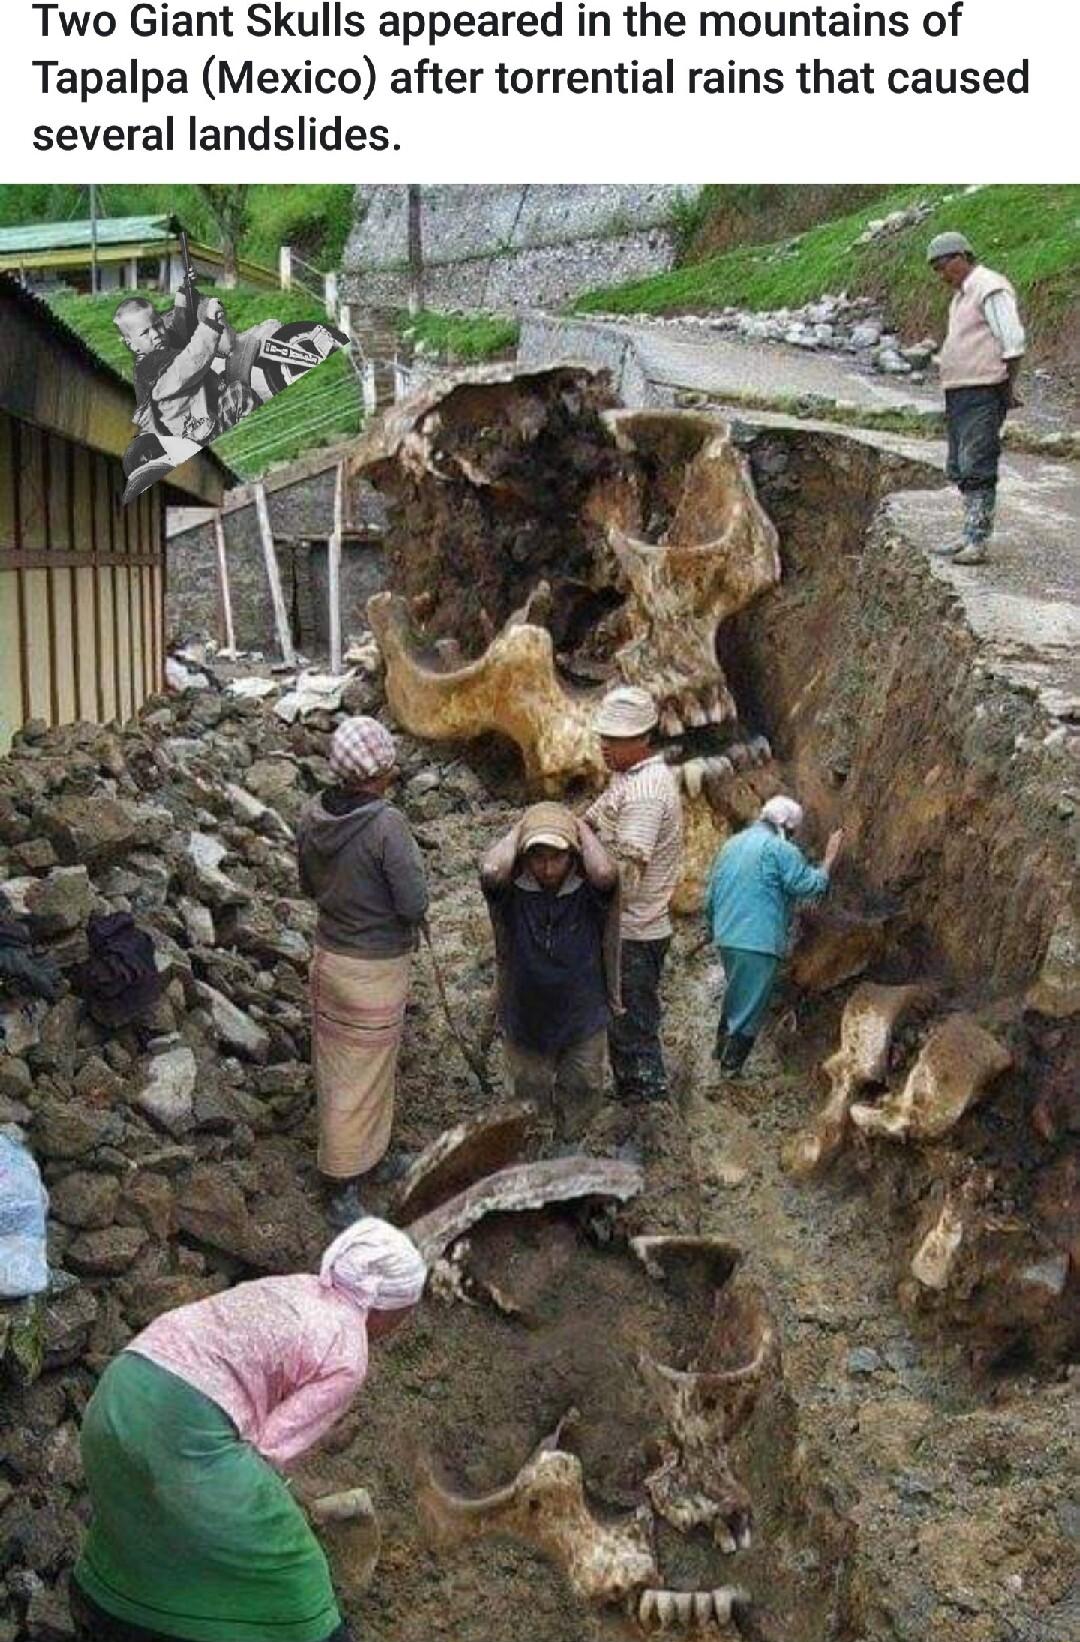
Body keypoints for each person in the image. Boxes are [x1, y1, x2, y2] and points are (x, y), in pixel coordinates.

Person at [70, 1217, 426, 1642]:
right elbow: (267, 1449)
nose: (405, 1322)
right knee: (295, 1569)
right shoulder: (349, 1350)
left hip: (120, 1391)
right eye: (408, 1310)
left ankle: (104, 1614)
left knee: (145, 1533)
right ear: (389, 1307)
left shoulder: (297, 1286)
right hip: (184, 1428)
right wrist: (284, 1506)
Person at [297, 718, 429, 1228]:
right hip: (374, 969)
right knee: (362, 1078)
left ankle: (369, 1160)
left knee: (341, 1070)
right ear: (380, 769)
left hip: (330, 958)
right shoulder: (385, 825)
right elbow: (413, 900)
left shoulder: (313, 814)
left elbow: (308, 884)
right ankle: (342, 1184)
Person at [480, 801, 620, 1141]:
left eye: (557, 857)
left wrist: (577, 826)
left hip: (582, 1014)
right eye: (537, 857)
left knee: (583, 1087)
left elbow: (605, 872)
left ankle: (570, 1143)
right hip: (527, 1017)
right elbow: (491, 870)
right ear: (524, 858)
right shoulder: (512, 891)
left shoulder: (588, 891)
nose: (547, 867)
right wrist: (523, 825)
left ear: (573, 857)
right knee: (527, 1097)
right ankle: (533, 1146)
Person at [584, 686, 683, 1105]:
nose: (605, 746)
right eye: (603, 737)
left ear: (642, 739)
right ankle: (634, 1091)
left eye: (615, 740)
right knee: (624, 1018)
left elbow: (625, 879)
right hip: (627, 929)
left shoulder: (645, 795)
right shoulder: (629, 778)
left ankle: (647, 1103)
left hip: (634, 932)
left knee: (631, 1025)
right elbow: (590, 820)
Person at [704, 796, 843, 1076]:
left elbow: (711, 896)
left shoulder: (732, 844)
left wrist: (714, 927)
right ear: (785, 826)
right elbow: (811, 885)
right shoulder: (780, 850)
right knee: (751, 1007)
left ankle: (719, 1052)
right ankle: (730, 1071)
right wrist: (828, 860)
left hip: (727, 936)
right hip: (758, 941)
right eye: (792, 832)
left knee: (737, 994)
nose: (792, 837)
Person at [925, 230, 1026, 567]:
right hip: (962, 390)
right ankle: (968, 532)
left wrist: (1006, 388)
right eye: (935, 270)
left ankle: (977, 540)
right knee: (960, 463)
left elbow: (1012, 342)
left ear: (961, 257)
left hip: (984, 388)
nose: (941, 276)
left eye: (942, 266)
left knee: (977, 462)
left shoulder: (989, 287)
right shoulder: (961, 297)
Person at [114, 290, 255, 445]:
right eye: (145, 333)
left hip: (192, 420)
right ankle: (244, 432)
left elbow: (175, 331)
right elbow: (192, 361)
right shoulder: (152, 366)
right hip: (196, 432)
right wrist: (211, 325)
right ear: (131, 344)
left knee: (227, 384)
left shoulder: (156, 353)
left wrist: (182, 298)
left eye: (158, 324)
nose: (155, 334)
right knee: (239, 391)